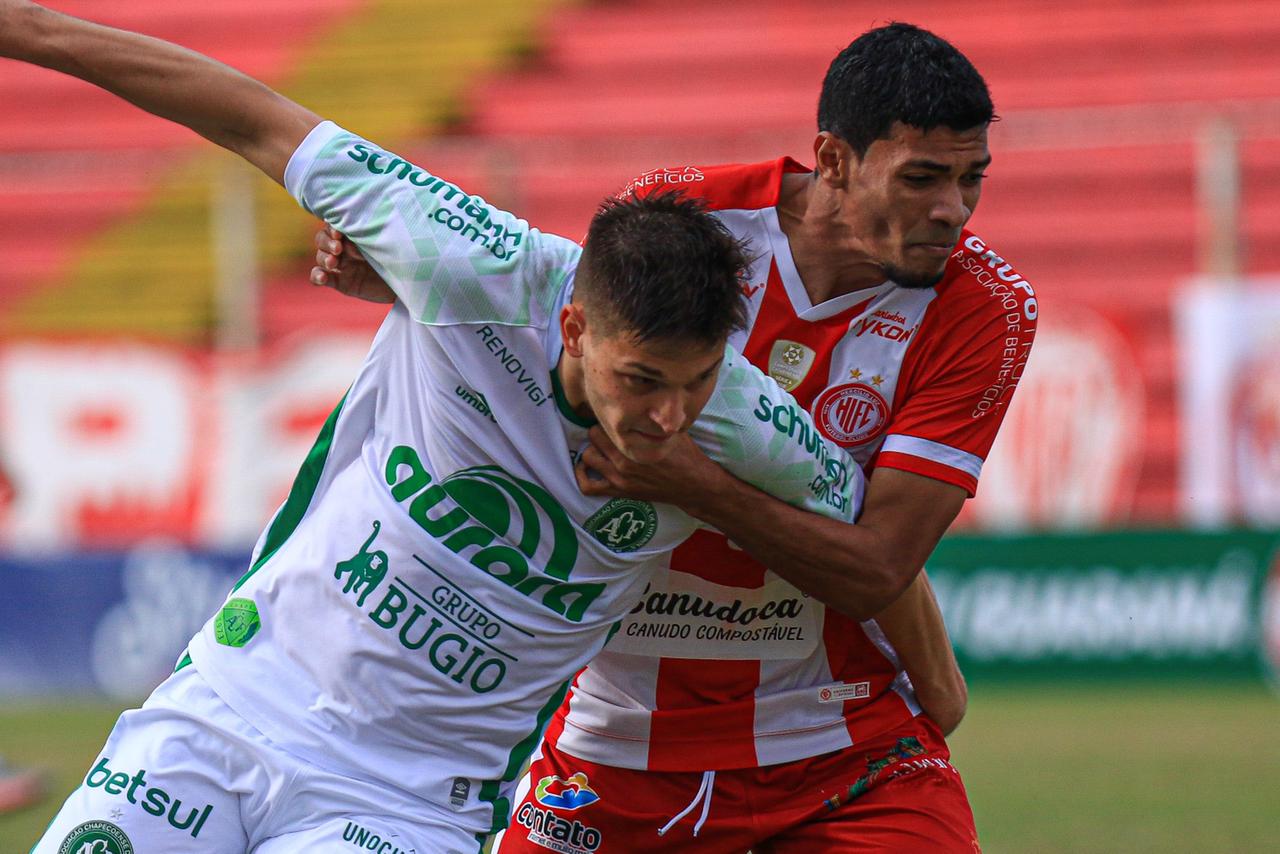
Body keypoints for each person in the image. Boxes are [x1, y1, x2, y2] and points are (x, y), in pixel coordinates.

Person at [0, 3, 904, 851]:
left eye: (697, 381)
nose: (667, 416)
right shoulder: (475, 261)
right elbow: (251, 117)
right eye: (642, 381)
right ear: (577, 328)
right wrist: (27, 28)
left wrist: (935, 685)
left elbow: (874, 548)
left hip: (404, 804)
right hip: (230, 705)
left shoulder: (747, 425)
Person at [314, 22, 1038, 852]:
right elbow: (552, 338)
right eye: (922, 179)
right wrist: (415, 283)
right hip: (615, 745)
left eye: (969, 179)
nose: (952, 210)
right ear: (833, 160)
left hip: (842, 750)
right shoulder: (686, 217)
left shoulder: (987, 308)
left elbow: (880, 564)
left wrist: (691, 483)